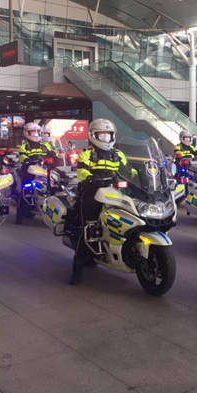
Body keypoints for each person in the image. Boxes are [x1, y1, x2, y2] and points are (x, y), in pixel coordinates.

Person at [70, 119, 135, 285]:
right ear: (94, 135)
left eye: (108, 134)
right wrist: (91, 178)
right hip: (92, 193)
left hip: (115, 193)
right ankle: (77, 269)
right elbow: (81, 172)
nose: (106, 137)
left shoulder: (118, 154)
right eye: (102, 134)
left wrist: (142, 173)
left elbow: (128, 170)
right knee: (87, 228)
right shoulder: (87, 153)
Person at [16, 122, 52, 224]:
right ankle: (19, 216)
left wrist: (59, 158)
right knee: (25, 190)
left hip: (44, 170)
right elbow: (22, 156)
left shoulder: (45, 145)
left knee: (54, 186)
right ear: (27, 133)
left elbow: (52, 154)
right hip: (29, 171)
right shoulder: (24, 146)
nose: (35, 134)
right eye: (32, 132)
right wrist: (27, 159)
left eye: (37, 132)